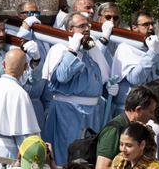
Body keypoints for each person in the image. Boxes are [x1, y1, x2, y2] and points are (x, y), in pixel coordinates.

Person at [42, 12, 111, 165]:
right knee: (69, 154)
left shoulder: (90, 49)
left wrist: (109, 86)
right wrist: (72, 51)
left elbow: (102, 75)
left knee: (89, 154)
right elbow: (61, 76)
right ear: (69, 29)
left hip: (92, 113)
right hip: (69, 112)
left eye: (88, 25)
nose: (87, 29)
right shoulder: (60, 48)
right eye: (82, 26)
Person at [111, 11, 159, 114]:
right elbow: (135, 79)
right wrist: (152, 53)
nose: (151, 28)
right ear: (134, 27)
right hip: (135, 110)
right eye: (146, 24)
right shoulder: (125, 48)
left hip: (158, 109)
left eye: (152, 24)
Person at [96, 86, 159, 169]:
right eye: (150, 111)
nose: (153, 116)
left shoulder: (139, 129)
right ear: (139, 110)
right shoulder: (114, 130)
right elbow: (102, 167)